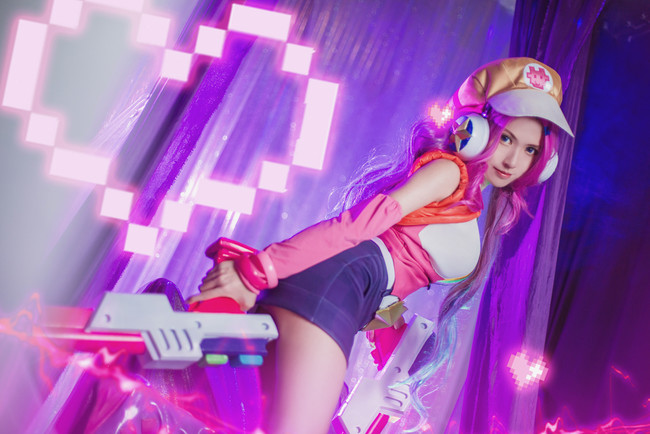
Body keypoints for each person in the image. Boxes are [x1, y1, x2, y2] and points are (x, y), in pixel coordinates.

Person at [187, 57, 574, 433]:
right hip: (333, 288)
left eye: (530, 150)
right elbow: (359, 227)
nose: (513, 159)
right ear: (475, 129)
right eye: (506, 138)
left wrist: (394, 341)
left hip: (345, 294)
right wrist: (257, 270)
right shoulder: (449, 173)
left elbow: (390, 273)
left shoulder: (469, 204)